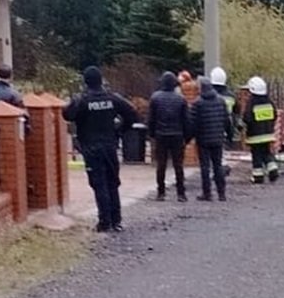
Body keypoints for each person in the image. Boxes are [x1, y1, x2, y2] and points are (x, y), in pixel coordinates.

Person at [63, 66, 140, 233]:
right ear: (101, 80)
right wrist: (120, 130)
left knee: (99, 184)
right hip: (109, 146)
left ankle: (105, 222)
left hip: (91, 148)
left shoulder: (82, 100)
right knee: (112, 182)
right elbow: (132, 114)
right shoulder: (112, 98)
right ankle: (116, 221)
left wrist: (75, 101)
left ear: (86, 82)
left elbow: (67, 115)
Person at [188, 76, 233, 201]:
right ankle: (222, 193)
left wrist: (187, 139)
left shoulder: (198, 103)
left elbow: (193, 124)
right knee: (217, 166)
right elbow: (227, 121)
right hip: (218, 139)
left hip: (203, 141)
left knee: (205, 167)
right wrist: (229, 136)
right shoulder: (220, 101)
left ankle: (207, 193)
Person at [147, 71, 188, 202]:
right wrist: (186, 137)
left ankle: (161, 192)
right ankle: (181, 193)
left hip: (161, 135)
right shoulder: (180, 99)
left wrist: (151, 134)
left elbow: (151, 119)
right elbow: (185, 120)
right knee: (178, 165)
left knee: (161, 164)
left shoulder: (155, 98)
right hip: (177, 134)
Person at [243, 76, 279, 184]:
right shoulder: (269, 101)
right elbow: (275, 115)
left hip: (255, 136)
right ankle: (273, 169)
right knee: (267, 152)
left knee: (257, 155)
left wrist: (242, 126)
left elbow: (247, 118)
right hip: (268, 134)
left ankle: (258, 177)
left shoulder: (252, 102)